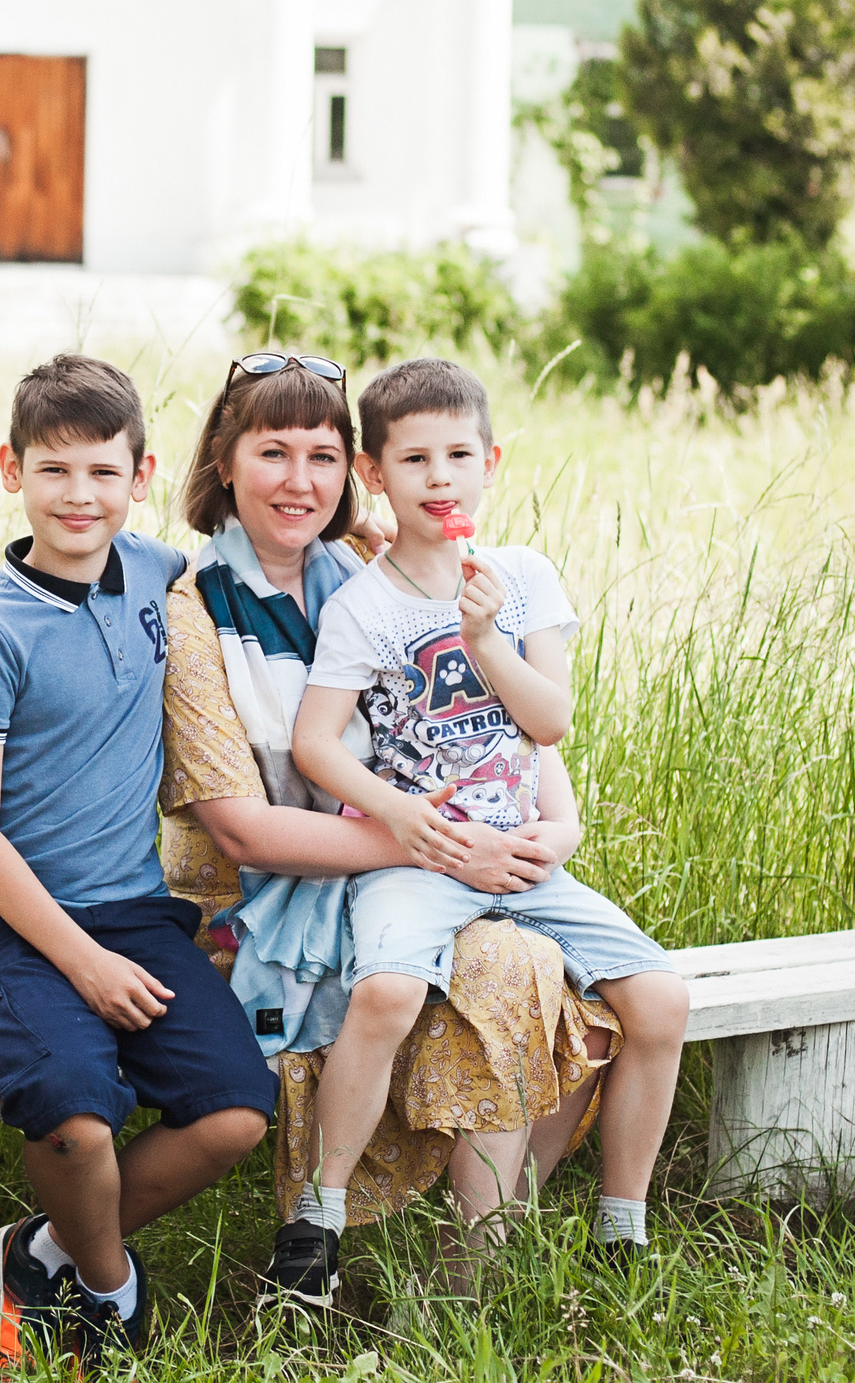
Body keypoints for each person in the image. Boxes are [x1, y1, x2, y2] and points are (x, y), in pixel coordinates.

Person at [154, 351, 619, 1307]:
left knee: (518, 966)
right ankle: (311, 1238)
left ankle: (479, 1269)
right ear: (224, 460)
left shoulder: (374, 565)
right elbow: (241, 830)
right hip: (263, 892)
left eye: (322, 456)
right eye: (273, 452)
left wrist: (555, 822)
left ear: (353, 471)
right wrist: (441, 845)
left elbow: (499, 730)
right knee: (467, 965)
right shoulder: (196, 610)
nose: (300, 480)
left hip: (425, 861)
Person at [279, 356, 689, 1303]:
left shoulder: (522, 578)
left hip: (523, 856)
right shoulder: (364, 607)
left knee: (661, 1001)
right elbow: (316, 744)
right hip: (422, 859)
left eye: (459, 454)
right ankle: (321, 1217)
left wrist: (486, 642)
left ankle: (621, 1226)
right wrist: (399, 814)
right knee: (383, 992)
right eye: (414, 459)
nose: (440, 477)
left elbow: (549, 721)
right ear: (375, 475)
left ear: (491, 461)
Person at [0, 353, 276, 1372]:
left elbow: (255, 552)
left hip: (134, 911)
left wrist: (376, 540)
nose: (79, 495)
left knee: (232, 1116)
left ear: (140, 473)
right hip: (6, 924)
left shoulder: (154, 576)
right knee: (78, 1121)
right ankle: (111, 1294)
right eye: (54, 470)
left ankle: (39, 1252)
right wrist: (79, 961)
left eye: (102, 473)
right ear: (11, 469)